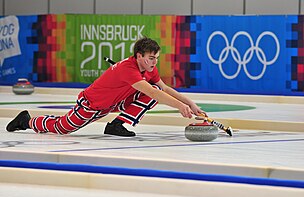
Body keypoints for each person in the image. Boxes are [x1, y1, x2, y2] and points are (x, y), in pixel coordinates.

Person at [6, 37, 207, 137]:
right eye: (151, 58)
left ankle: (116, 125)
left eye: (156, 58)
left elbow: (163, 88)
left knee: (157, 93)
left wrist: (190, 103)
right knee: (62, 128)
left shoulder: (148, 68)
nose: (154, 62)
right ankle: (27, 121)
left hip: (114, 103)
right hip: (93, 103)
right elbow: (151, 91)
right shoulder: (128, 69)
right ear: (139, 56)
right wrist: (180, 107)